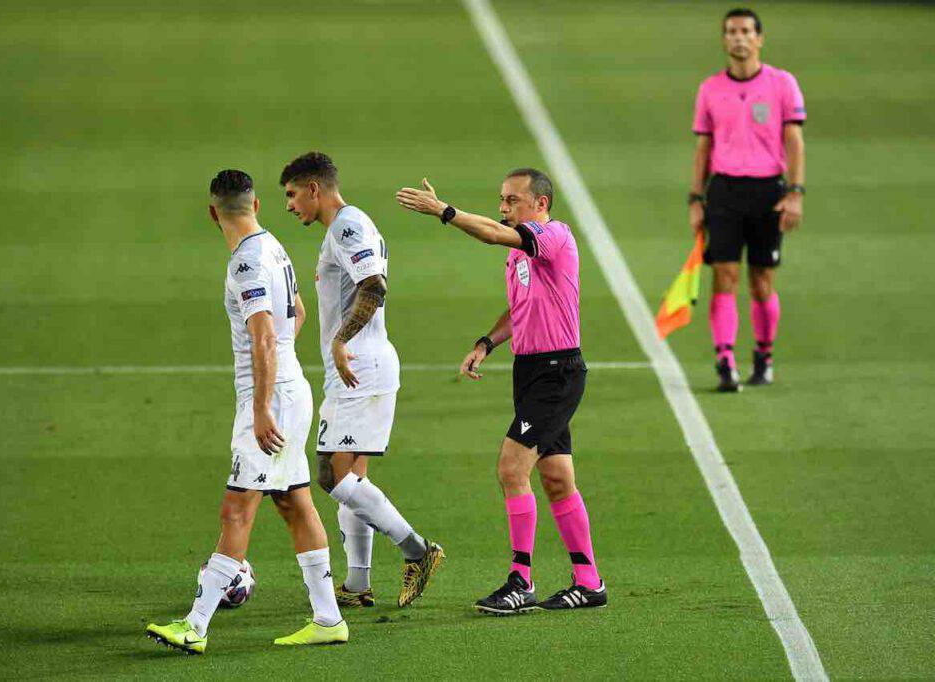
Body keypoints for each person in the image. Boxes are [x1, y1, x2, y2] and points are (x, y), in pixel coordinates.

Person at [146, 170, 347, 654]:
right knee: (294, 502)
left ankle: (195, 626)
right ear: (255, 205)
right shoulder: (273, 247)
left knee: (236, 508)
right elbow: (295, 314)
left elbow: (261, 335)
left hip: (271, 400)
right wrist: (278, 366)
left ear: (213, 213)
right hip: (291, 389)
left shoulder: (246, 264)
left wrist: (261, 405)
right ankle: (328, 619)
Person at [396, 169, 605, 615]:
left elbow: (491, 234)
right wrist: (486, 343)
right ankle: (588, 582)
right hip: (530, 372)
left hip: (557, 372)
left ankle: (520, 580)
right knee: (556, 478)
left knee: (512, 468)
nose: (503, 208)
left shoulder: (555, 237)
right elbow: (520, 308)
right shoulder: (521, 254)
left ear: (540, 204)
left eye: (512, 200)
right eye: (502, 200)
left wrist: (444, 212)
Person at [280, 151, 444, 609]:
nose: (290, 205)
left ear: (315, 188)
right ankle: (356, 584)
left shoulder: (348, 225)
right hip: (355, 371)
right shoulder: (341, 229)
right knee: (352, 477)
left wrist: (339, 339)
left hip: (360, 367)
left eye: (293, 195)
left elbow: (374, 285)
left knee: (330, 474)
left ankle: (418, 550)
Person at [689, 7, 807, 391]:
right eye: (731, 31)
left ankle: (763, 354)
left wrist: (795, 192)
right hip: (724, 191)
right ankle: (725, 360)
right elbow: (703, 147)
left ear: (759, 38)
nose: (738, 37)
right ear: (724, 40)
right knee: (724, 275)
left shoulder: (782, 84)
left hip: (768, 191)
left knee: (761, 281)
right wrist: (695, 198)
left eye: (744, 31)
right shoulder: (710, 89)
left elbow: (794, 141)